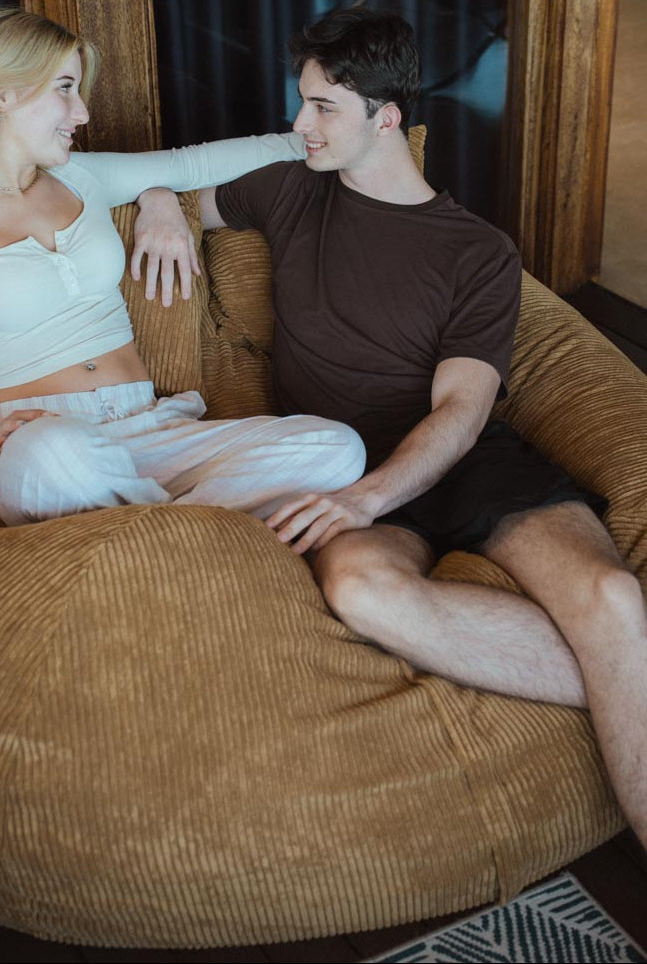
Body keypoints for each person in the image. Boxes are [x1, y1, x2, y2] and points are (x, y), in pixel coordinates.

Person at [139, 6, 647, 849]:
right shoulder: (289, 191)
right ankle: (626, 672)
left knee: (612, 596)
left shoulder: (476, 252)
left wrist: (373, 497)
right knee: (362, 592)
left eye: (322, 107)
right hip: (335, 463)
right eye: (300, 102)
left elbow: (463, 408)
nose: (297, 125)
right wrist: (160, 201)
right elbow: (152, 191)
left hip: (462, 462)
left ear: (386, 118)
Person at [0, 7, 365, 526]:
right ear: (1, 94)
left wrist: (316, 142)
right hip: (36, 445)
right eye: (65, 88)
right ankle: (199, 527)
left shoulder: (82, 179)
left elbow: (194, 163)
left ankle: (154, 529)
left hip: (147, 430)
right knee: (58, 453)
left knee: (337, 447)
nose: (81, 113)